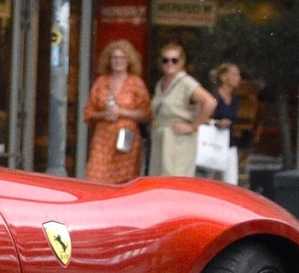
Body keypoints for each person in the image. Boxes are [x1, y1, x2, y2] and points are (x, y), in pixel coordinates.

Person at [82, 40, 151, 185]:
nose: (118, 61)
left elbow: (147, 114)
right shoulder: (101, 82)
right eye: (114, 57)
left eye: (122, 58)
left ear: (129, 60)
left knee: (123, 181)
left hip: (126, 139)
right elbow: (88, 113)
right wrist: (103, 115)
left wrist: (122, 112)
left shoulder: (136, 83)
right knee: (95, 178)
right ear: (109, 60)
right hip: (103, 139)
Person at [148, 43, 217, 177]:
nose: (169, 63)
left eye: (174, 60)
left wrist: (192, 126)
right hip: (160, 138)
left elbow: (210, 102)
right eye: (165, 60)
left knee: (174, 180)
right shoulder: (161, 83)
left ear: (182, 62)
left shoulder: (186, 82)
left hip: (177, 139)